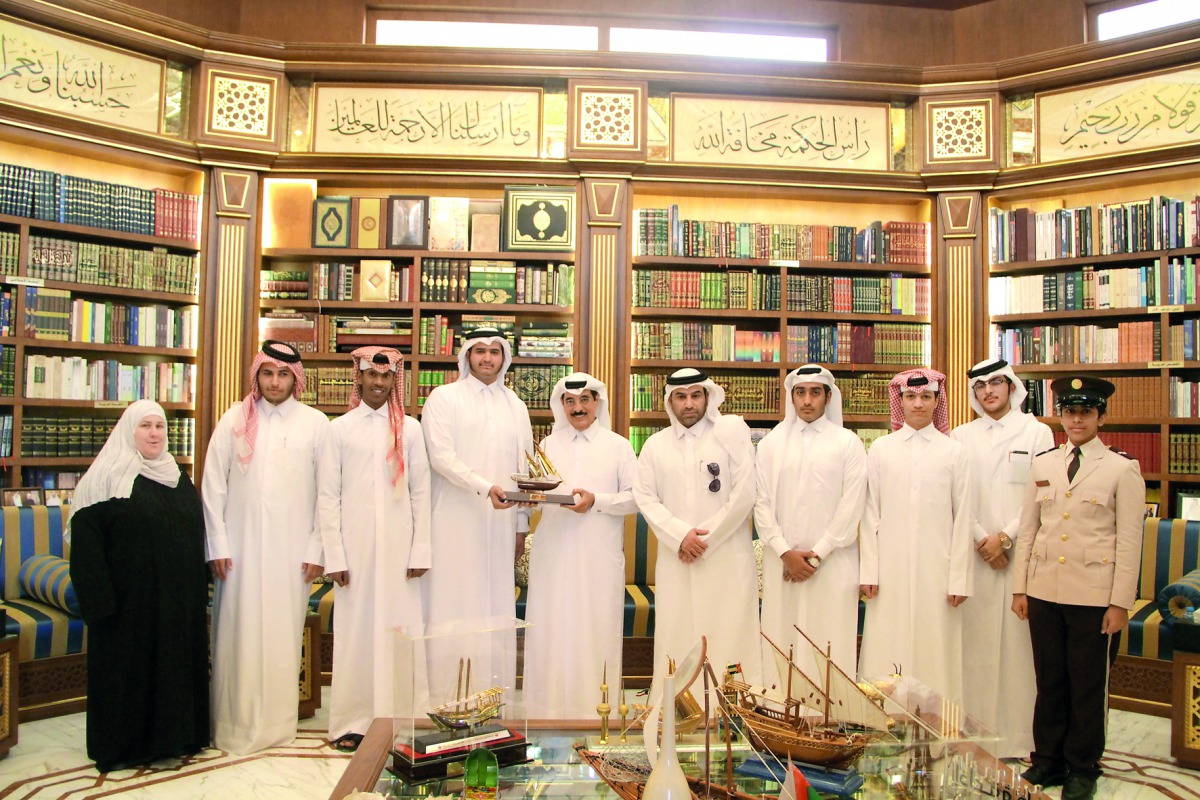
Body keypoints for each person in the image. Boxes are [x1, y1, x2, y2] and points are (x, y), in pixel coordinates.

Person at [1011, 377, 1144, 800]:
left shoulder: (1122, 468)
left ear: (1101, 417)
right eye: (1070, 412)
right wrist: (1020, 589)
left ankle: (1083, 766)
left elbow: (1130, 541)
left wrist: (1120, 602)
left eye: (1086, 412)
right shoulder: (1044, 463)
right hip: (1044, 591)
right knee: (1049, 680)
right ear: (1061, 416)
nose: (1077, 420)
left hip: (1094, 596)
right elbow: (1029, 530)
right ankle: (1047, 759)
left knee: (1087, 684)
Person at [67, 400, 209, 773]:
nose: (154, 434)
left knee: (172, 670)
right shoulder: (105, 479)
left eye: (159, 426)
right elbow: (86, 547)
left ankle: (175, 738)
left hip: (176, 603)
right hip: (125, 609)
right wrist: (100, 606)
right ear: (129, 431)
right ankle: (124, 747)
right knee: (128, 676)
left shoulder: (177, 477)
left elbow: (193, 534)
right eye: (145, 426)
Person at [203, 340, 329, 755]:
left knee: (281, 638)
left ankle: (276, 727)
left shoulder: (315, 424)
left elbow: (327, 493)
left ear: (296, 379)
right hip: (237, 551)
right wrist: (217, 543)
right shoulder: (233, 419)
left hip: (292, 554)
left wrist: (316, 548)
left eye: (283, 374)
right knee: (235, 637)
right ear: (257, 375)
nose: (275, 382)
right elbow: (213, 485)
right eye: (268, 373)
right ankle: (232, 726)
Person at [317, 346, 431, 752]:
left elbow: (421, 492)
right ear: (360, 377)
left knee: (401, 634)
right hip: (355, 550)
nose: (378, 383)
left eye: (386, 377)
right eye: (372, 375)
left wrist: (421, 550)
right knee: (356, 635)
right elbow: (328, 496)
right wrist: (334, 555)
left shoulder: (410, 430)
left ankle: (405, 720)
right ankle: (353, 722)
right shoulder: (339, 429)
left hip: (401, 550)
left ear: (393, 381)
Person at [632, 367, 762, 702]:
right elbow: (645, 496)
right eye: (681, 396)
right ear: (669, 401)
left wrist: (705, 539)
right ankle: (678, 712)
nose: (689, 404)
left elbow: (746, 492)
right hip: (677, 559)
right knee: (678, 632)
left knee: (728, 631)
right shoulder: (655, 446)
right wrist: (680, 536)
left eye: (695, 395)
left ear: (707, 396)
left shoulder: (728, 435)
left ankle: (730, 710)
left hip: (726, 557)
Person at [420, 327, 533, 704]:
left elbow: (523, 468)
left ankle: (490, 698)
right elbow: (441, 456)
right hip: (453, 522)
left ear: (504, 358)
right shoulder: (444, 397)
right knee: (452, 603)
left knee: (494, 607)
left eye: (494, 351)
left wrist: (521, 526)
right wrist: (485, 488)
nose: (487, 358)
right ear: (467, 355)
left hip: (501, 525)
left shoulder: (515, 405)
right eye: (479, 351)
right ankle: (446, 698)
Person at [950, 358, 1053, 759]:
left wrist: (1006, 538)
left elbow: (1043, 492)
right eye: (980, 386)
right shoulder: (960, 437)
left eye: (996, 383)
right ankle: (974, 737)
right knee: (973, 648)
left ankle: (1021, 740)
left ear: (1011, 387)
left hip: (1021, 554)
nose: (988, 391)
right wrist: (982, 540)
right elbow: (955, 498)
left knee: (1019, 651)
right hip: (975, 556)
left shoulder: (1037, 432)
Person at [523, 372, 638, 718]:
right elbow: (537, 498)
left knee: (596, 629)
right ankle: (546, 713)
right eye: (570, 401)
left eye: (585, 400)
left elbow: (636, 499)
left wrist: (596, 501)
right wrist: (527, 500)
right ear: (561, 405)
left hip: (597, 558)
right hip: (553, 556)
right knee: (551, 630)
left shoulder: (618, 446)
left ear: (597, 402)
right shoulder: (547, 446)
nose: (577, 408)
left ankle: (594, 713)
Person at [858, 368, 972, 706]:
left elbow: (963, 518)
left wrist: (959, 578)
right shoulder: (881, 449)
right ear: (901, 401)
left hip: (939, 570)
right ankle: (883, 720)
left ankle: (936, 723)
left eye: (925, 397)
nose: (918, 404)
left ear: (937, 401)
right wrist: (869, 572)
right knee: (886, 643)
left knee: (936, 647)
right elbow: (869, 514)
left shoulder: (954, 452)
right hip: (888, 572)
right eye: (910, 397)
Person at [755, 364, 866, 680]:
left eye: (815, 392)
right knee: (782, 640)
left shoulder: (848, 443)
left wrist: (816, 555)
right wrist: (785, 553)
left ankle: (831, 710)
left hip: (833, 564)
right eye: (800, 392)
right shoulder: (771, 444)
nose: (807, 400)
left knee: (829, 640)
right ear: (791, 397)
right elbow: (760, 503)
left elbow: (852, 506)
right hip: (782, 564)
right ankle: (779, 707)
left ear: (828, 397)